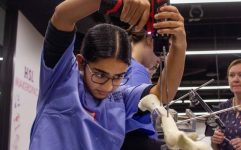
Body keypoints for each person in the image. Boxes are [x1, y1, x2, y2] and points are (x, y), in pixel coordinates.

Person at [29, 0, 187, 149]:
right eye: (100, 74)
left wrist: (180, 43)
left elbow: (163, 93)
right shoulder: (61, 79)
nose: (108, 86)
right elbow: (62, 16)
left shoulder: (120, 97)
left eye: (118, 76)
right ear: (81, 62)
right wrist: (112, 2)